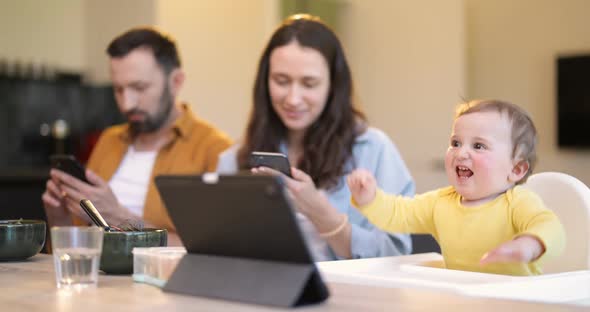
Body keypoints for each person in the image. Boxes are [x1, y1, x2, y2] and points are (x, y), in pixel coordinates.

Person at [217, 14, 415, 261]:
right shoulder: (235, 159)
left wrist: (320, 212)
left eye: (309, 84)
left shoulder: (374, 150)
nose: (293, 98)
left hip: (351, 298)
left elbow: (394, 254)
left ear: (333, 86)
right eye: (281, 81)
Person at [42, 27, 232, 246]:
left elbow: (212, 250)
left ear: (176, 82)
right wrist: (60, 218)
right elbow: (76, 251)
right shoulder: (109, 140)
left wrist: (119, 217)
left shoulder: (215, 150)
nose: (127, 104)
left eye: (139, 87)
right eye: (118, 90)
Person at [348, 99, 566, 275]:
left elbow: (550, 226)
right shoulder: (440, 203)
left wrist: (529, 244)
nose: (461, 153)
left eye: (479, 146)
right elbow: (398, 214)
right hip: (462, 299)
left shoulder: (517, 203)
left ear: (516, 169)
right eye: (455, 143)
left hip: (517, 302)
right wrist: (370, 198)